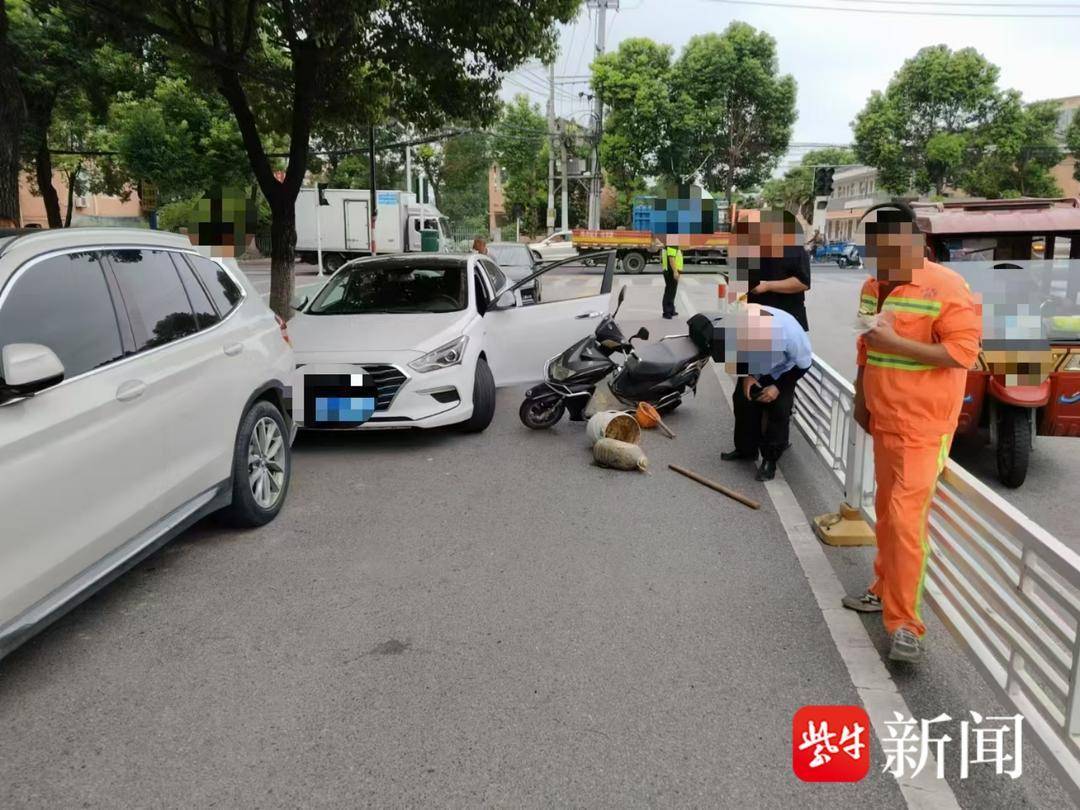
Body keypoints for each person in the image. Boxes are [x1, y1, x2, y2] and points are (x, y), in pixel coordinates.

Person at [842, 202, 982, 665]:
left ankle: (906, 626)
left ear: (916, 244)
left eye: (890, 251)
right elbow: (866, 346)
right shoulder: (871, 285)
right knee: (884, 510)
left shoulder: (947, 286)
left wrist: (896, 344)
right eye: (876, 252)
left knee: (904, 521)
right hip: (884, 418)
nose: (882, 261)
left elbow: (962, 353)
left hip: (923, 427)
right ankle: (882, 589)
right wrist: (862, 399)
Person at [720, 303, 813, 481]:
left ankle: (770, 460)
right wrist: (748, 375)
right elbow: (736, 355)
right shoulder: (740, 326)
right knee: (742, 400)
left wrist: (778, 387)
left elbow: (804, 364)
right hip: (757, 369)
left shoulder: (790, 333)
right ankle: (745, 450)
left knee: (779, 409)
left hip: (785, 371)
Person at [740, 209, 812, 331]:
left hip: (787, 318)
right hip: (756, 317)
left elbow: (802, 282)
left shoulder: (794, 249)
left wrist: (767, 286)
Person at [660, 242, 683, 319]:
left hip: (671, 271)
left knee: (672, 290)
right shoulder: (672, 243)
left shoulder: (672, 243)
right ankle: (666, 312)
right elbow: (671, 258)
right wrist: (675, 271)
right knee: (669, 291)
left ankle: (671, 309)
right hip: (670, 271)